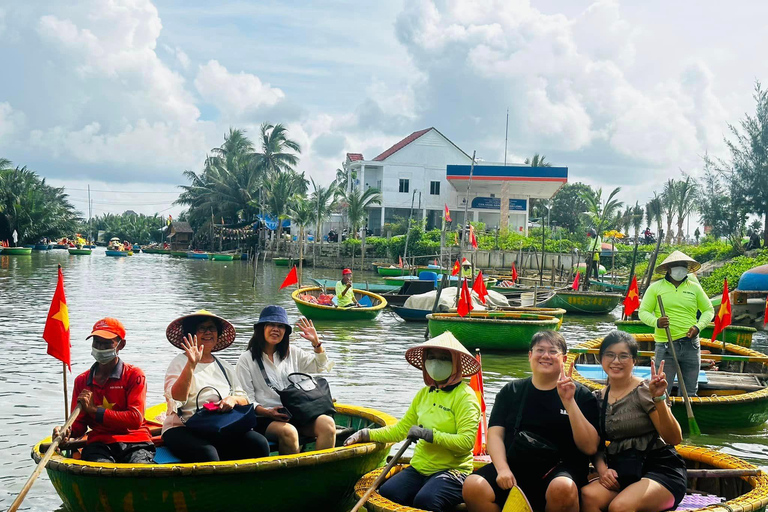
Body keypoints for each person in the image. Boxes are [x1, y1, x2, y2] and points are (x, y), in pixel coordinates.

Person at [463, 331, 600, 512]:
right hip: (515, 467)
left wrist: (569, 402)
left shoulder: (581, 396)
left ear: (564, 358)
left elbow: (590, 447)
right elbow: (495, 434)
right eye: (540, 350)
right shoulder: (511, 391)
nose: (545, 356)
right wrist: (503, 469)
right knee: (473, 486)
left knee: (562, 487)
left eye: (553, 351)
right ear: (530, 355)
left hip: (560, 471)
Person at [344, 332, 481, 512]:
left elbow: (466, 443)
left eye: (444, 358)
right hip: (420, 468)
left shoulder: (465, 398)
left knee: (426, 500)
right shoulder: (424, 394)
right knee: (388, 492)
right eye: (431, 357)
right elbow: (401, 430)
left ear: (455, 363)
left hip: (452, 471)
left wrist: (428, 435)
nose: (436, 362)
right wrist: (365, 434)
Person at [581, 331, 686, 512]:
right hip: (625, 470)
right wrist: (602, 470)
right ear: (601, 359)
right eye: (610, 355)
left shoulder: (645, 389)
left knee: (620, 507)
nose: (616, 361)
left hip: (661, 469)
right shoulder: (597, 399)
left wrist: (659, 398)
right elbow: (595, 446)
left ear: (633, 361)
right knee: (588, 495)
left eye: (623, 356)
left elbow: (674, 438)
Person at [162, 310, 270, 462]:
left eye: (212, 328)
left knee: (259, 443)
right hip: (184, 427)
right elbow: (176, 399)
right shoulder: (179, 363)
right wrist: (191, 365)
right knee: (208, 453)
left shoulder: (224, 366)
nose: (208, 333)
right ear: (191, 334)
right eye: (202, 328)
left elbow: (244, 399)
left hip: (217, 424)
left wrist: (232, 400)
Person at [236, 306, 336, 455]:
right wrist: (268, 412)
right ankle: (292, 476)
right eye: (271, 324)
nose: (276, 329)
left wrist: (316, 343)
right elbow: (246, 398)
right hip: (265, 417)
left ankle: (316, 472)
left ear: (285, 332)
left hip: (297, 412)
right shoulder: (246, 360)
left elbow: (321, 366)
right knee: (289, 432)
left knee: (328, 424)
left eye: (280, 326)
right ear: (261, 328)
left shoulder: (293, 352)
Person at [53, 318, 155, 463]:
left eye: (107, 343)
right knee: (100, 467)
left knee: (139, 468)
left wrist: (94, 410)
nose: (100, 348)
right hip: (99, 443)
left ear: (121, 345)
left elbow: (135, 419)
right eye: (97, 342)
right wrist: (66, 432)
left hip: (136, 441)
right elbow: (79, 424)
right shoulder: (82, 380)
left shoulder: (134, 375)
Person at [638, 251, 714, 397]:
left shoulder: (694, 288)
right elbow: (643, 312)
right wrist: (656, 322)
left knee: (690, 390)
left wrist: (698, 327)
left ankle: (685, 417)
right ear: (668, 268)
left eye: (683, 266)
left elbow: (708, 310)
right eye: (676, 265)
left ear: (687, 269)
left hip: (690, 344)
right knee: (662, 391)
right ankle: (663, 417)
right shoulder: (655, 288)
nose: (680, 269)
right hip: (665, 345)